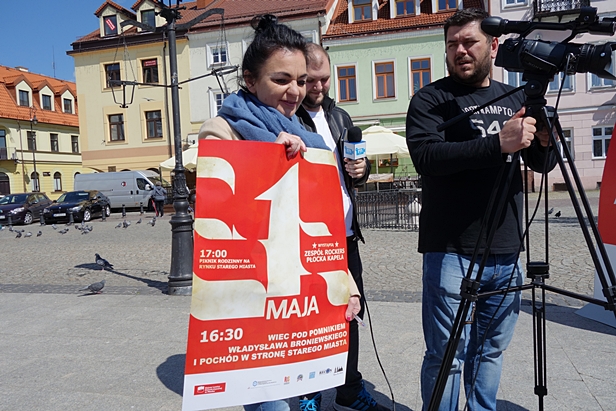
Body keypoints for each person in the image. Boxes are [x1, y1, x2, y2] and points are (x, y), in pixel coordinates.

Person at [198, 14, 362, 411]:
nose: (295, 91)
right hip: (253, 299)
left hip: (303, 294)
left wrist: (348, 285)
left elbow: (321, 224)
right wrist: (268, 158)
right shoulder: (222, 130)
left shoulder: (309, 140)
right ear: (250, 80)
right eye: (281, 79)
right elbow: (221, 226)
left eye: (301, 80)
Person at [406, 8, 557, 411]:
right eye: (451, 43)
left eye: (469, 41)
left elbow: (541, 163)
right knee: (446, 353)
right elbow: (427, 157)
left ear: (492, 46)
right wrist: (497, 144)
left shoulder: (517, 97)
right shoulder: (431, 99)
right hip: (450, 248)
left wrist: (544, 142)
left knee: (490, 350)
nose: (460, 50)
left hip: (505, 249)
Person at [296, 43, 389, 411]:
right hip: (308, 239)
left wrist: (361, 171)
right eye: (311, 80)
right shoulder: (288, 117)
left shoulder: (341, 117)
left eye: (324, 79)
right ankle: (309, 394)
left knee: (351, 315)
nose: (319, 87)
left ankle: (349, 389)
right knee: (310, 319)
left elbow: (354, 173)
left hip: (346, 237)